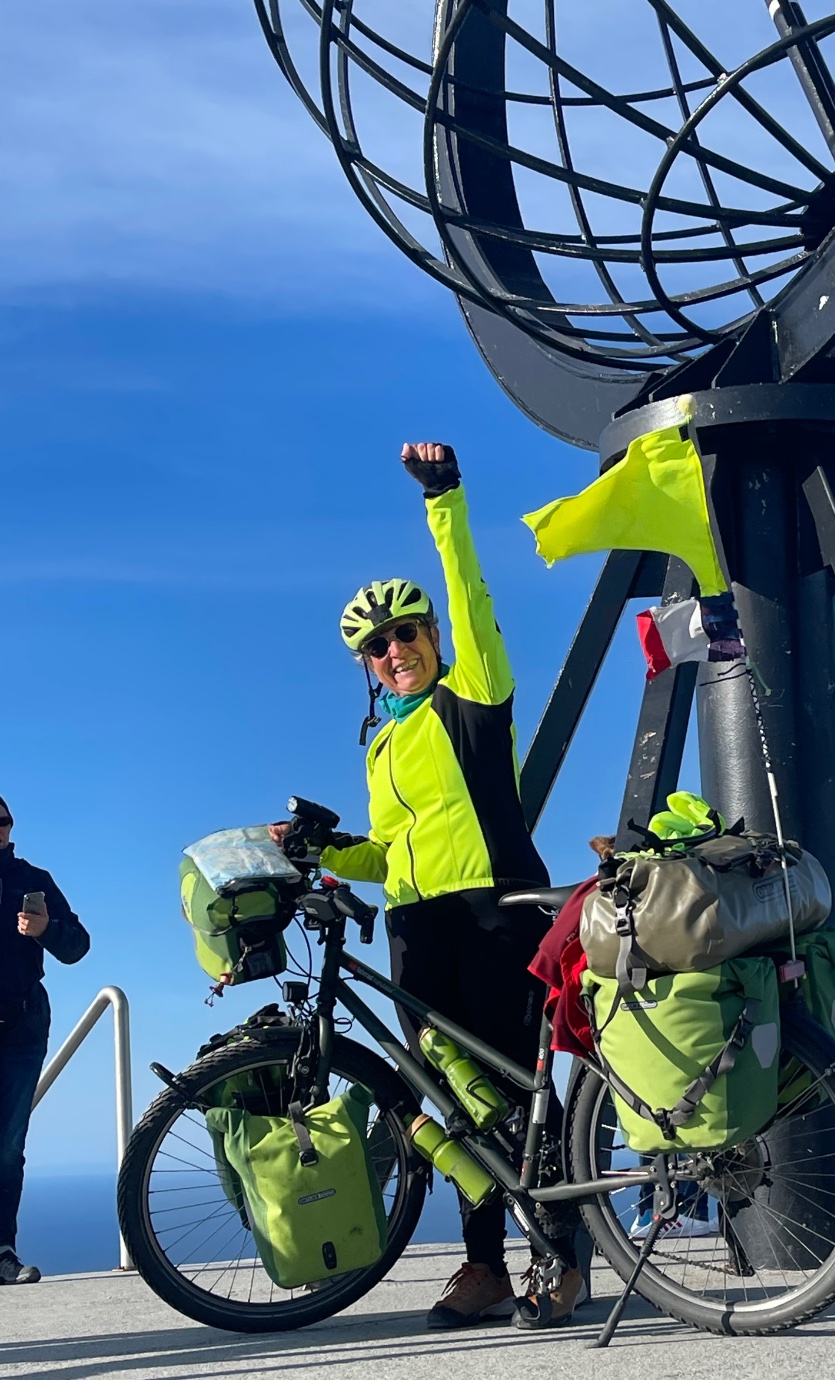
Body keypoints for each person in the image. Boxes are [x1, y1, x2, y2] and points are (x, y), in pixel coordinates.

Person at [270, 443, 582, 1330]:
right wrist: (323, 849)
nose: (394, 650)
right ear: (366, 665)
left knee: (519, 1090)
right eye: (377, 646)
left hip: (493, 912)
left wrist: (444, 500)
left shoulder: (471, 699)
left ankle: (561, 1261)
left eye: (406, 633)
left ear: (433, 638)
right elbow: (392, 852)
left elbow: (471, 596)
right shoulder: (382, 743)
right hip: (416, 927)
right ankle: (482, 1268)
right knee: (444, 1099)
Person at [0, 795, 90, 1285]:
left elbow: (78, 946)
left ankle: (1, 1251)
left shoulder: (34, 880)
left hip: (22, 1025)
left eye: (3, 820)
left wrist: (45, 929)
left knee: (7, 1148)